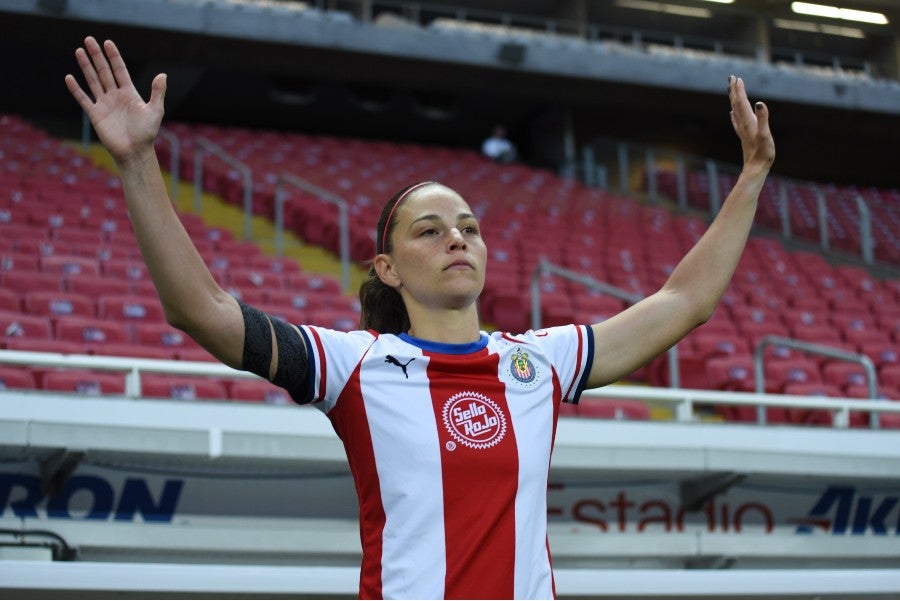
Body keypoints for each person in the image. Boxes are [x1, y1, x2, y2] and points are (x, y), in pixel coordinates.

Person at [66, 36, 774, 599]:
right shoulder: (352, 365)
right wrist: (137, 162)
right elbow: (204, 311)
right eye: (430, 230)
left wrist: (749, 178)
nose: (457, 238)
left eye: (467, 226)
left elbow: (685, 301)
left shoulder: (540, 362)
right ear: (390, 268)